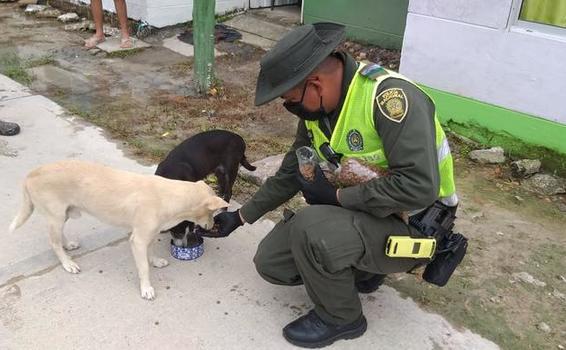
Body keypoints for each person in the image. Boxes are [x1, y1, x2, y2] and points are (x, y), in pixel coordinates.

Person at [213, 22, 459, 348]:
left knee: (310, 227)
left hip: (416, 225)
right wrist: (241, 216)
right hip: (373, 215)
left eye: (290, 101)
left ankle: (342, 318)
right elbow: (291, 171)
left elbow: (419, 187)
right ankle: (366, 271)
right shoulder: (319, 112)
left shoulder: (389, 99)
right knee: (271, 262)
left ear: (315, 83)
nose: (291, 109)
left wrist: (340, 197)